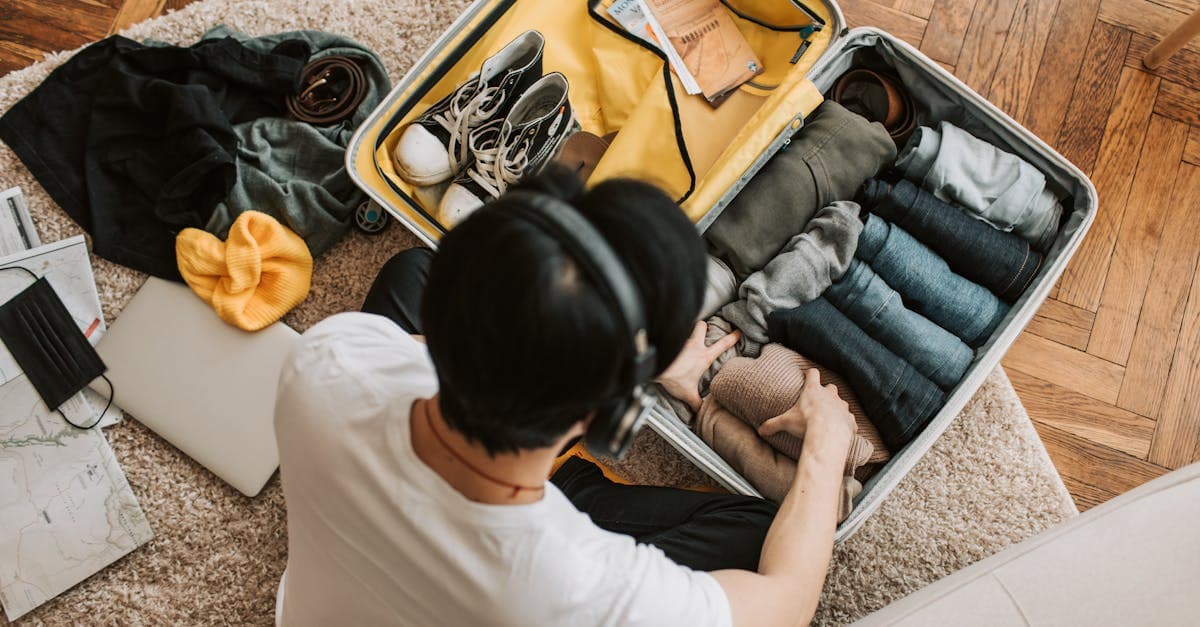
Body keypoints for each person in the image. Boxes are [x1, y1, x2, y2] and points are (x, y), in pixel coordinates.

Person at [272, 165, 857, 626]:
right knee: (766, 536)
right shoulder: (586, 591)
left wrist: (600, 353)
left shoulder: (328, 356)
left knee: (409, 273)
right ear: (613, 419)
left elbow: (427, 348)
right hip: (518, 574)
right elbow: (787, 603)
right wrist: (826, 447)